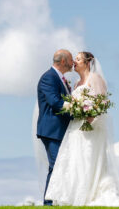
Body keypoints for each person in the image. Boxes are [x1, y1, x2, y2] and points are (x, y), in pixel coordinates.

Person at [43, 51, 119, 206]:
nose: (75, 62)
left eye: (78, 59)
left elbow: (102, 102)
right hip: (75, 127)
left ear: (87, 63)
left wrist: (91, 115)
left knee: (88, 158)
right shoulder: (76, 84)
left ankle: (90, 195)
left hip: (91, 127)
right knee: (75, 159)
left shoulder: (95, 79)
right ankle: (75, 197)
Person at [35, 49, 75, 205]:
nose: (73, 63)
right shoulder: (49, 78)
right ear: (64, 61)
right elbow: (54, 102)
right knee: (56, 166)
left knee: (59, 166)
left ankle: (54, 202)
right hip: (52, 130)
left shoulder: (60, 78)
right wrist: (77, 112)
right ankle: (49, 204)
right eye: (71, 60)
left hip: (59, 130)